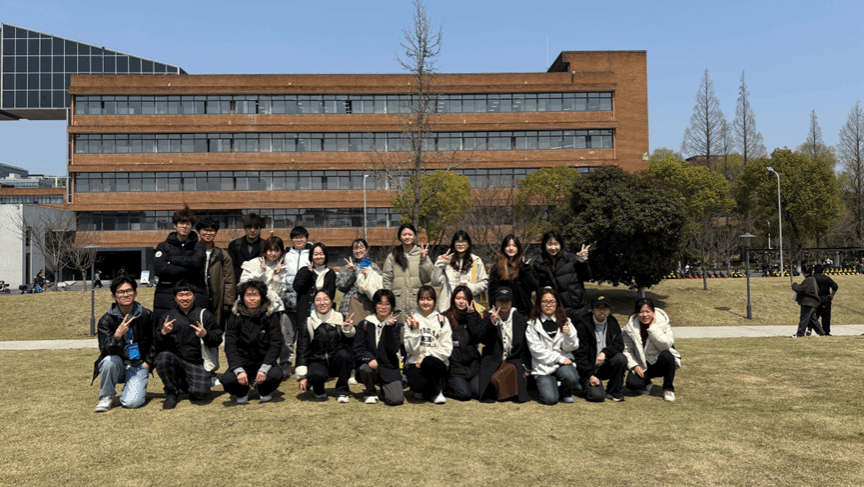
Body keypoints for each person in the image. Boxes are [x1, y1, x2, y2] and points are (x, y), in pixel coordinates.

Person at [91, 275, 157, 412]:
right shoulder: (106, 320)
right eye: (121, 292)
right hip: (118, 364)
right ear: (114, 296)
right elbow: (104, 350)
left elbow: (155, 341)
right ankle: (107, 396)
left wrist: (148, 363)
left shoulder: (146, 315)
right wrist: (117, 336)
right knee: (109, 361)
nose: (126, 295)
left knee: (131, 403)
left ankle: (130, 389)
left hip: (138, 365)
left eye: (129, 291)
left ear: (135, 293)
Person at [154, 280, 223, 410]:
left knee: (200, 393)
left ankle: (187, 384)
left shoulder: (204, 315)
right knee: (162, 357)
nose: (184, 298)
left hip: (197, 362)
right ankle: (171, 392)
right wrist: (163, 333)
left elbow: (218, 339)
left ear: (194, 296)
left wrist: (206, 335)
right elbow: (156, 346)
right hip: (176, 361)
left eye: (188, 294)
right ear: (175, 297)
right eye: (180, 295)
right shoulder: (167, 317)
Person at [222, 280, 285, 404]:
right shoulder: (234, 316)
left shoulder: (270, 315)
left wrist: (265, 367)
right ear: (242, 297)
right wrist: (238, 369)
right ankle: (242, 391)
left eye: (255, 295)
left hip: (263, 360)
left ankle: (263, 390)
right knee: (227, 380)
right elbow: (230, 345)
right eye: (248, 295)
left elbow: (276, 343)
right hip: (243, 361)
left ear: (262, 297)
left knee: (276, 375)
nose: (252, 299)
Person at [239, 236, 295, 376]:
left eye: (276, 250)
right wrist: (260, 271)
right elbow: (244, 283)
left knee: (276, 337)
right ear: (265, 250)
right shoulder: (254, 263)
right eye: (270, 250)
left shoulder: (281, 266)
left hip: (274, 308)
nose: (273, 253)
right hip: (255, 308)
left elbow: (280, 292)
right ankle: (257, 365)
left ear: (281, 252)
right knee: (256, 337)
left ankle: (277, 365)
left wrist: (276, 275)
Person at [296, 289, 356, 402]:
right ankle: (318, 389)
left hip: (336, 361)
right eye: (318, 300)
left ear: (332, 302)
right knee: (316, 375)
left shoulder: (340, 318)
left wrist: (348, 329)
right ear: (314, 303)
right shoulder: (308, 322)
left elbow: (350, 342)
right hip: (317, 361)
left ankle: (342, 390)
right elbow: (302, 349)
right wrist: (302, 375)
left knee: (345, 355)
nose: (322, 303)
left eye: (325, 299)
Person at [525, 287, 580, 405]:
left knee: (572, 378)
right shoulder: (532, 325)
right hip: (543, 366)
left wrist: (569, 335)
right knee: (550, 400)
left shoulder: (565, 321)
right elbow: (536, 351)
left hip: (562, 363)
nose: (548, 305)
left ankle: (565, 391)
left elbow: (572, 347)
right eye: (545, 302)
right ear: (539, 304)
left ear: (557, 303)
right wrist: (559, 358)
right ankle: (551, 385)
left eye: (552, 301)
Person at [477, 287, 532, 403]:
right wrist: (492, 323)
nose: (504, 304)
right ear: (495, 303)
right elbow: (482, 339)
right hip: (493, 359)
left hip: (512, 359)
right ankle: (511, 388)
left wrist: (526, 366)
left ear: (511, 302)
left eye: (507, 301)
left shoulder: (519, 319)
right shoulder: (489, 317)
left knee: (500, 377)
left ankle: (513, 388)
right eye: (500, 301)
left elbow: (524, 345)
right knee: (491, 381)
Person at [152, 204, 207, 321]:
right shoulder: (163, 246)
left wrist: (172, 260)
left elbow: (197, 264)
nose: (184, 226)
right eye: (181, 223)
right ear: (175, 225)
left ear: (192, 226)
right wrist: (190, 268)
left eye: (188, 223)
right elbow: (159, 269)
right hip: (167, 296)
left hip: (194, 295)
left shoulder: (199, 246)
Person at [622, 298, 681, 402]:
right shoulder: (629, 328)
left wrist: (653, 328)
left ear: (653, 312)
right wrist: (635, 365)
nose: (645, 315)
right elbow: (627, 350)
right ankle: (647, 383)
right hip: (642, 363)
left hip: (659, 361)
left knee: (667, 355)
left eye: (648, 311)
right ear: (636, 313)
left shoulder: (662, 323)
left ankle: (668, 388)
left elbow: (666, 345)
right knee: (632, 384)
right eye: (641, 312)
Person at [354, 289, 405, 405]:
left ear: (391, 306)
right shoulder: (365, 324)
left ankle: (384, 389)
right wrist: (369, 358)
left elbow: (393, 349)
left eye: (387, 304)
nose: (383, 307)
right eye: (380, 303)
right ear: (375, 305)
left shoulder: (396, 325)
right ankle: (370, 392)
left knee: (396, 399)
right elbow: (358, 349)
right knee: (365, 368)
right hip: (371, 366)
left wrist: (389, 328)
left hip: (389, 367)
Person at [403, 285, 452, 404]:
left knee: (428, 361)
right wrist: (415, 331)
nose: (426, 302)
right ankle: (424, 390)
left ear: (434, 301)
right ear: (418, 301)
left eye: (429, 299)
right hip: (415, 362)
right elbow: (410, 350)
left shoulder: (442, 320)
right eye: (422, 299)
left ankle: (436, 392)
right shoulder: (411, 320)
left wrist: (426, 355)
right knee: (415, 383)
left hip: (436, 362)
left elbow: (447, 349)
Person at [574, 295, 627, 402]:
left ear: (609, 310)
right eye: (598, 308)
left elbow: (619, 345)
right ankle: (581, 385)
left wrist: (605, 353)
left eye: (605, 308)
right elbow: (579, 354)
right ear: (592, 310)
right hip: (587, 369)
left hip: (604, 366)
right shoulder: (583, 324)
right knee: (597, 396)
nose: (602, 311)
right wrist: (589, 375)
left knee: (621, 358)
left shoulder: (612, 322)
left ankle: (614, 392)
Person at [533, 230, 591, 318]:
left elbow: (586, 276)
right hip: (553, 310)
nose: (553, 248)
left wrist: (583, 261)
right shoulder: (539, 263)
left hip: (576, 309)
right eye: (549, 244)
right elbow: (537, 286)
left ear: (561, 244)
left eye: (556, 244)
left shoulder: (572, 259)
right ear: (544, 245)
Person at [280, 225, 313, 373]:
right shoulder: (286, 255)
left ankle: (305, 362)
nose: (299, 240)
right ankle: (285, 362)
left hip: (306, 300)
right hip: (288, 299)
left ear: (306, 238)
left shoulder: (312, 254)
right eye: (295, 237)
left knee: (306, 333)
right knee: (287, 333)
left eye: (302, 237)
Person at [441, 285, 483, 401]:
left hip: (473, 366)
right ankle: (445, 387)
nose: (461, 302)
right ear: (453, 299)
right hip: (455, 368)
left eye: (464, 299)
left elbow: (477, 337)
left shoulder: (475, 316)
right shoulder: (445, 317)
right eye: (458, 298)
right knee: (464, 394)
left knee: (478, 392)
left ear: (470, 300)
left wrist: (471, 316)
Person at [432, 230, 488, 313]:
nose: (460, 244)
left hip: (469, 307)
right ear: (453, 244)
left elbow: (484, 283)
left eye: (463, 241)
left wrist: (470, 288)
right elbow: (435, 282)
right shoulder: (446, 260)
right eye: (458, 241)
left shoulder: (476, 261)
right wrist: (439, 264)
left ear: (468, 244)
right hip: (447, 308)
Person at [195, 217, 236, 329]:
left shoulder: (222, 255)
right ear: (198, 232)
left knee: (214, 330)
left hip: (216, 300)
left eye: (212, 230)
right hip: (196, 298)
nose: (208, 233)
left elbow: (229, 281)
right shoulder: (191, 252)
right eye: (205, 230)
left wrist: (228, 303)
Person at [382, 224, 433, 314]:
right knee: (400, 322)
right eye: (404, 234)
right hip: (398, 299)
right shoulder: (393, 255)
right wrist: (389, 297)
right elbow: (387, 278)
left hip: (417, 298)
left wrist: (423, 260)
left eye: (410, 234)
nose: (407, 237)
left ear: (414, 236)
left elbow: (427, 278)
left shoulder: (421, 253)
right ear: (400, 237)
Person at [488, 234, 538, 316]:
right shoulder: (497, 267)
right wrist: (494, 310)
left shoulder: (524, 265)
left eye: (514, 246)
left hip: (524, 312)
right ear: (504, 248)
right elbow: (492, 292)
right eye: (508, 246)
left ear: (518, 248)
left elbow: (533, 286)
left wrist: (526, 270)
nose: (511, 248)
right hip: (504, 311)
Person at [293, 242, 337, 333]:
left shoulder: (330, 273)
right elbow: (297, 287)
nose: (318, 257)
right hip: (305, 311)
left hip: (323, 313)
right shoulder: (304, 270)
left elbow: (331, 294)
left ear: (325, 255)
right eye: (315, 254)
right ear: (311, 256)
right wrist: (308, 274)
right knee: (304, 337)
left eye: (321, 254)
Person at [337, 238, 382, 319]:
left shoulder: (373, 267)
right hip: (349, 305)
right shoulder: (348, 267)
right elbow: (341, 287)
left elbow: (380, 286)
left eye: (361, 248)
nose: (358, 251)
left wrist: (370, 275)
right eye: (355, 248)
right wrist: (352, 272)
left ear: (366, 250)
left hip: (368, 306)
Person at [227, 212, 265, 284]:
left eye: (256, 228)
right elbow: (231, 268)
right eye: (249, 227)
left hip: (259, 284)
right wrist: (238, 282)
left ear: (260, 229)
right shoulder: (234, 245)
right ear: (245, 228)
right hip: (239, 284)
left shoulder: (265, 245)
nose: (252, 230)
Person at [791, 265, 826, 337]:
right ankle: (821, 333)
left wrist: (794, 285)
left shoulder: (809, 280)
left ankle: (800, 334)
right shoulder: (812, 279)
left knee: (804, 318)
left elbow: (802, 289)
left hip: (808, 302)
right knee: (813, 319)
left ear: (803, 272)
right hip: (812, 302)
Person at [813, 264, 839, 336]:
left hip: (814, 300)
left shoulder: (811, 278)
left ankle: (813, 330)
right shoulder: (826, 278)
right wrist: (832, 295)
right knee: (826, 317)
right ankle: (826, 332)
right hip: (825, 299)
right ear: (823, 271)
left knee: (814, 317)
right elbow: (835, 286)